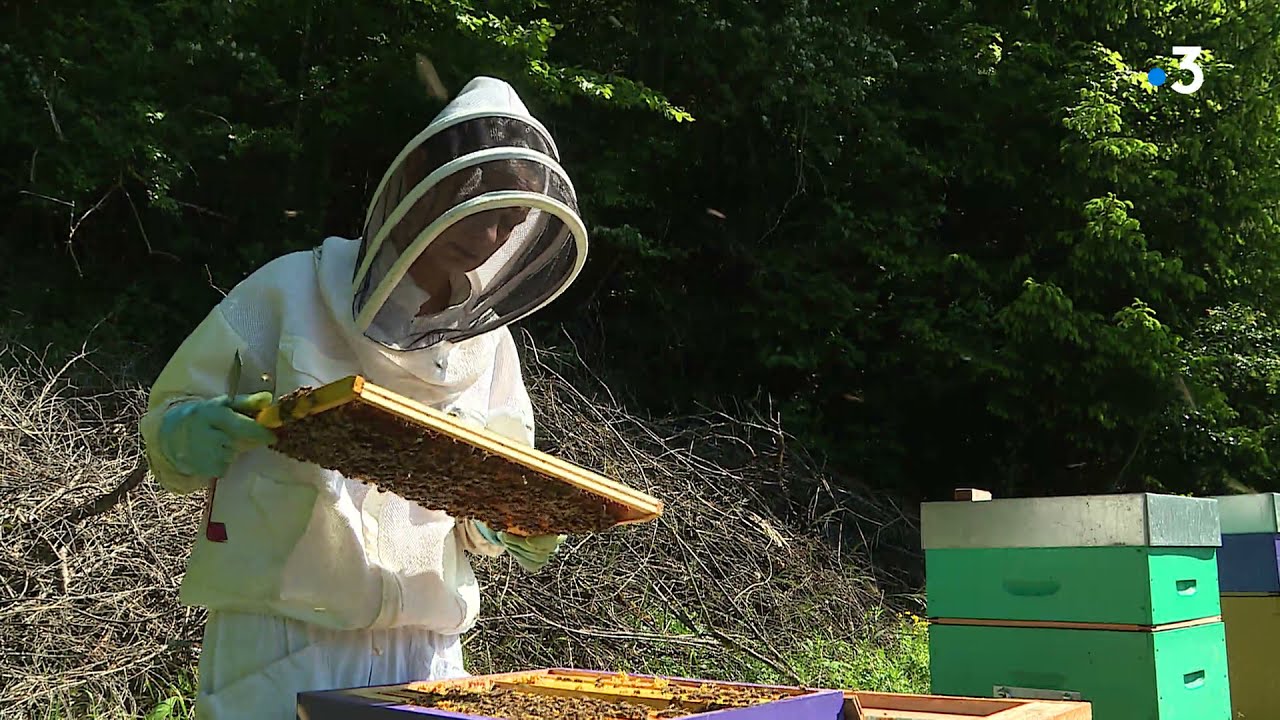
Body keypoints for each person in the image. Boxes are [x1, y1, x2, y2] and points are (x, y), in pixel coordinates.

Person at [138, 76, 588, 720]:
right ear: (420, 189)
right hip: (283, 635)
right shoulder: (287, 291)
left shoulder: (489, 345)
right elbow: (168, 426)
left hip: (428, 646)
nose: (488, 237)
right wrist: (188, 432)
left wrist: (507, 524)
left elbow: (500, 482)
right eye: (477, 206)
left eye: (508, 224)